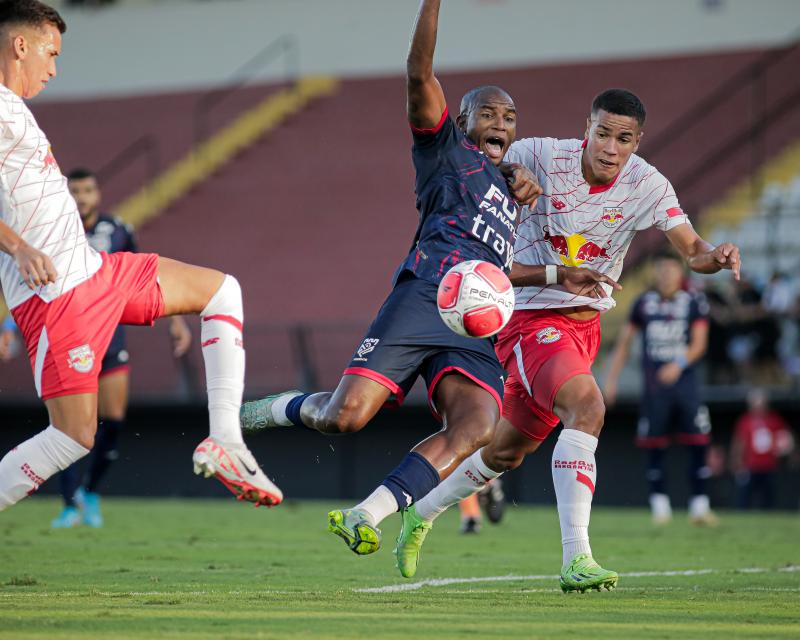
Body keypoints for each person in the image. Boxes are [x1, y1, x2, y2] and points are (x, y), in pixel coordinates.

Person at [395, 88, 742, 593]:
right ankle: (577, 557)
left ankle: (420, 513)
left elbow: (692, 249)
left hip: (585, 329)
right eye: (602, 133)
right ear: (587, 128)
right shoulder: (539, 154)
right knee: (588, 407)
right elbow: (475, 159)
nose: (609, 147)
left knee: (505, 454)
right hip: (532, 319)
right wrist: (511, 176)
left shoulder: (648, 184)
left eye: (623, 139)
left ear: (636, 142)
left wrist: (716, 256)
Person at [239, 0, 540, 555]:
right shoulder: (443, 148)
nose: (501, 122)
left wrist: (554, 272)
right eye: (489, 113)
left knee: (477, 429)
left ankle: (366, 514)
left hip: (473, 327)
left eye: (510, 116)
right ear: (464, 119)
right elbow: (418, 72)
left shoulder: (510, 189)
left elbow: (495, 270)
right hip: (424, 297)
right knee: (344, 418)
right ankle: (280, 407)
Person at [0, 0, 281, 513]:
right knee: (71, 437)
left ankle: (226, 441)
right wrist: (18, 248)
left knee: (222, 289)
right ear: (21, 45)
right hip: (59, 296)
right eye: (50, 52)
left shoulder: (15, 109)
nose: (54, 67)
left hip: (96, 270)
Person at [45, 168, 193, 528]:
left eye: (87, 190)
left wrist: (175, 321)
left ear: (97, 194)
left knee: (112, 421)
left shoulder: (119, 230)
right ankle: (68, 506)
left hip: (111, 339)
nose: (81, 196)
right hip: (71, 339)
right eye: (74, 190)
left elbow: (143, 278)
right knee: (72, 428)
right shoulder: (52, 233)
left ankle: (90, 493)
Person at [603, 250, 715, 526]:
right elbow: (624, 344)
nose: (666, 275)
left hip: (686, 385)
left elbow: (700, 344)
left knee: (699, 442)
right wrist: (610, 380)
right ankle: (660, 508)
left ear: (681, 273)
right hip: (654, 389)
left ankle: (700, 507)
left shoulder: (693, 301)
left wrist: (677, 364)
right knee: (653, 445)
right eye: (661, 269)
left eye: (671, 269)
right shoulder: (643, 302)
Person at [730, 388, 794, 510]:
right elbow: (739, 443)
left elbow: (786, 438)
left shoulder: (775, 420)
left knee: (768, 498)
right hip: (750, 466)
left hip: (769, 465)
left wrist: (788, 452)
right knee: (744, 498)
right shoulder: (745, 421)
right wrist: (737, 461)